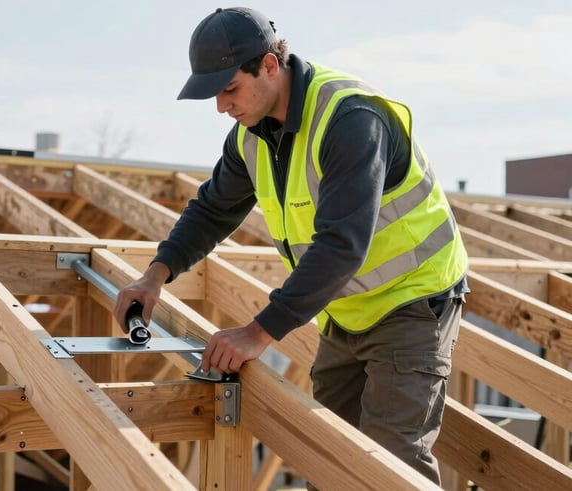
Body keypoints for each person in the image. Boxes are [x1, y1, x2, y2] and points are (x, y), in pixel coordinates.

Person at [113, 6, 469, 485]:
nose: (222, 106)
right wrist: (154, 275)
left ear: (269, 66)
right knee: (331, 457)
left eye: (229, 88)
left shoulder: (350, 119)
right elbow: (212, 210)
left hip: (413, 304)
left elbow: (343, 245)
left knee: (392, 467)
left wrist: (257, 333)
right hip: (344, 310)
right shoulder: (251, 135)